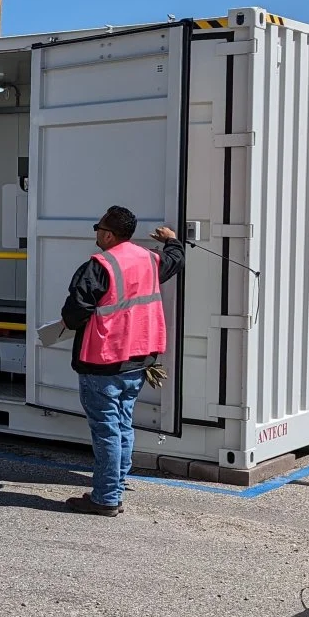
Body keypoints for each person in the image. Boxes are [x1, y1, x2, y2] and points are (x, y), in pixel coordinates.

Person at [60, 205, 185, 516]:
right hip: (139, 359)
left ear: (107, 234)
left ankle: (105, 498)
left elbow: (74, 313)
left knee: (107, 430)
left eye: (98, 230)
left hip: (103, 361)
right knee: (123, 424)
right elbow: (176, 260)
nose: (97, 236)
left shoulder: (99, 265)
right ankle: (116, 483)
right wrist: (172, 240)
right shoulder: (150, 259)